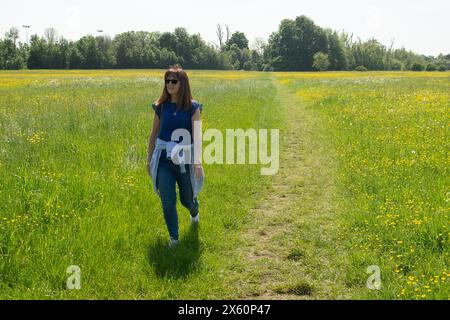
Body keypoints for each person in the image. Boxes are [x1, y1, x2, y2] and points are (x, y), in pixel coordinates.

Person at [147, 64, 204, 248]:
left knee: (186, 199)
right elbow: (153, 134)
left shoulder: (192, 107)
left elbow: (197, 136)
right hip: (163, 159)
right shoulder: (161, 107)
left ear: (182, 83)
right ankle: (174, 238)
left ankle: (194, 212)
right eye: (167, 81)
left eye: (173, 81)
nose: (169, 84)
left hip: (185, 159)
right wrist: (149, 160)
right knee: (168, 199)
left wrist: (197, 162)